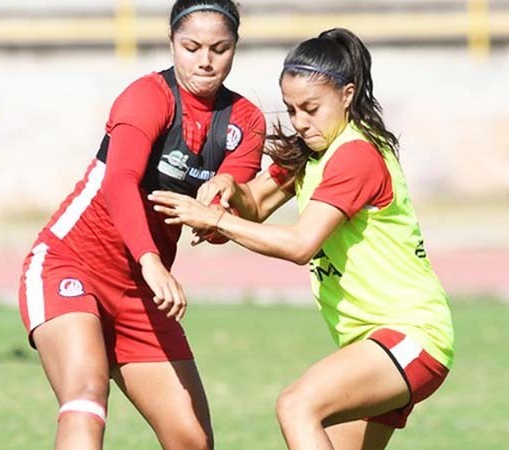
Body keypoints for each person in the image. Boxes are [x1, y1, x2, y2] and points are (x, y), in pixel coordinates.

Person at [149, 28, 454, 450]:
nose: (300, 122)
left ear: (347, 95)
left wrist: (216, 220)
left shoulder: (355, 155)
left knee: (297, 406)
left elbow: (299, 245)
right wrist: (227, 187)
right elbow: (253, 203)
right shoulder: (313, 152)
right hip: (368, 345)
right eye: (292, 110)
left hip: (410, 336)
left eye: (311, 108)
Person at [16, 1, 265, 449]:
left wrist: (219, 209)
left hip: (141, 293)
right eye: (191, 47)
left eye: (219, 48)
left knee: (191, 439)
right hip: (70, 265)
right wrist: (151, 260)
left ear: (235, 49)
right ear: (172, 43)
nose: (205, 60)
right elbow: (120, 183)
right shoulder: (147, 97)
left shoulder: (246, 121)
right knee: (87, 395)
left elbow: (233, 200)